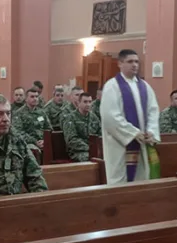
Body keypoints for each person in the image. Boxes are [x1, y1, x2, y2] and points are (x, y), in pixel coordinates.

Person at [100, 49, 160, 184]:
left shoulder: (145, 86)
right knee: (121, 182)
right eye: (130, 61)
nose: (134, 65)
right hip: (120, 145)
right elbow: (110, 117)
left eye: (137, 62)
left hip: (141, 144)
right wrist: (133, 133)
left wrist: (151, 131)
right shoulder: (112, 86)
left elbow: (153, 111)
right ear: (120, 63)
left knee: (141, 180)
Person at [62, 92, 101, 162]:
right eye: (85, 102)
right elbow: (71, 140)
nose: (88, 104)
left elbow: (100, 134)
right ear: (78, 103)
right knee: (88, 158)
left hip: (94, 149)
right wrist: (89, 148)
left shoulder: (94, 117)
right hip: (78, 151)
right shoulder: (70, 118)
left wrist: (98, 147)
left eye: (90, 102)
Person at [11, 88, 50, 154]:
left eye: (36, 96)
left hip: (43, 142)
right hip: (28, 143)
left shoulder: (42, 113)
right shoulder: (19, 113)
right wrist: (35, 142)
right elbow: (19, 133)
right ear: (26, 99)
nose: (35, 99)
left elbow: (48, 128)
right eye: (32, 97)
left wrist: (44, 140)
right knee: (34, 150)